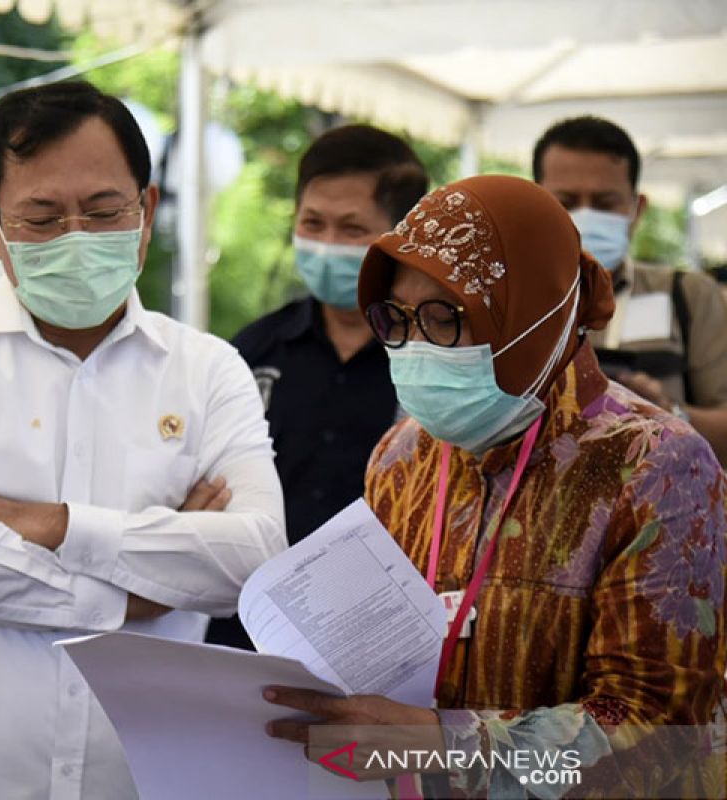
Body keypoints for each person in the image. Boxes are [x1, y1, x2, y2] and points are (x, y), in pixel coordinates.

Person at [0, 80, 286, 799]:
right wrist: (131, 599)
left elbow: (252, 561)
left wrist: (50, 524)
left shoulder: (209, 369)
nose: (77, 238)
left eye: (103, 211)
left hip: (147, 780)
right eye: (42, 217)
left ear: (146, 212)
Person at [261, 175, 727, 796]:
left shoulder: (656, 465)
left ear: (534, 314)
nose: (417, 348)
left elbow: (657, 739)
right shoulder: (402, 458)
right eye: (395, 319)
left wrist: (443, 744)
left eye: (446, 318)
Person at [206, 124, 427, 651]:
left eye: (352, 230)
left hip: (383, 644)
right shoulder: (251, 354)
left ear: (401, 239)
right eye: (313, 223)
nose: (328, 246)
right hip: (244, 637)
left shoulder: (433, 364)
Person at [534, 115, 727, 464]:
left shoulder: (688, 295)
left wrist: (668, 413)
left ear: (636, 209)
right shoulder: (515, 302)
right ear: (535, 204)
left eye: (605, 203)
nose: (584, 216)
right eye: (565, 201)